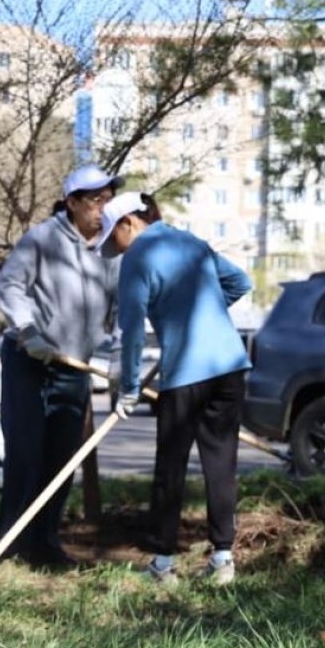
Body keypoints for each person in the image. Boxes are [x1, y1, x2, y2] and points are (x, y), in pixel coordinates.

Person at [95, 191, 252, 587]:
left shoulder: (137, 259)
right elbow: (240, 282)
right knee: (221, 462)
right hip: (230, 365)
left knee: (171, 466)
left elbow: (131, 331)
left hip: (186, 373)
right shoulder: (192, 242)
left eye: (112, 235)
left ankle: (163, 565)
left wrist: (128, 388)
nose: (113, 246)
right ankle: (222, 560)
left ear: (128, 222)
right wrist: (203, 314)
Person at [0, 164, 124, 568]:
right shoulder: (43, 239)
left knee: (62, 461)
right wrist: (27, 330)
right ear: (71, 202)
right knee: (26, 455)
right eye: (95, 200)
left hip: (74, 369)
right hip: (28, 362)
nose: (103, 208)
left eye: (108, 200)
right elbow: (9, 284)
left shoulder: (110, 249)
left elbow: (123, 307)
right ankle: (10, 548)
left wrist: (121, 356)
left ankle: (45, 545)